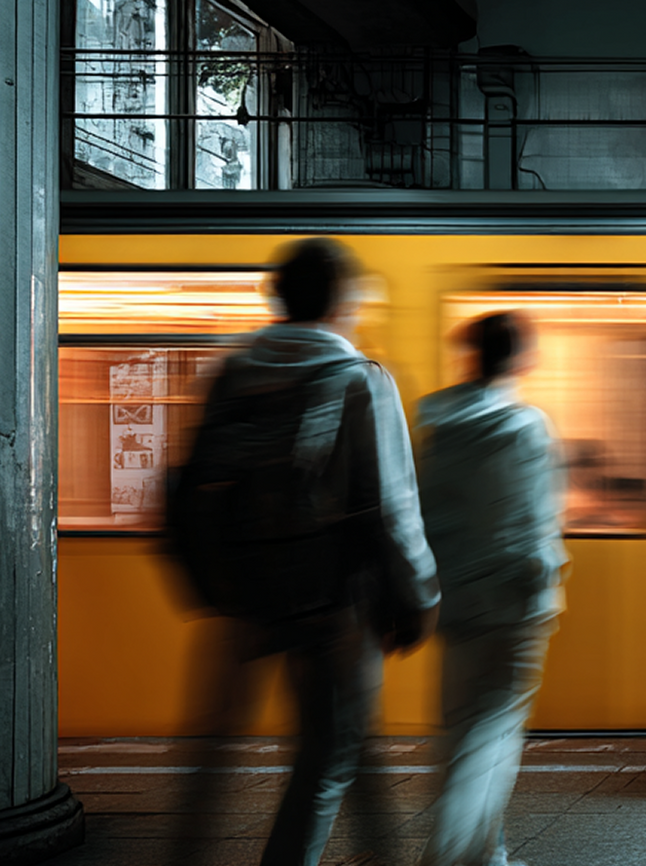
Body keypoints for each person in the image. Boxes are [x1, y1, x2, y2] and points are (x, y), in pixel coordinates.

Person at [182, 236, 439, 866]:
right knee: (329, 753)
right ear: (341, 301)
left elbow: (193, 486)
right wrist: (418, 597)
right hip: (331, 603)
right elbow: (393, 507)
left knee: (211, 761)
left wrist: (211, 583)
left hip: (245, 596)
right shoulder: (360, 378)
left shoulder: (233, 372)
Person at [414, 312, 569, 866]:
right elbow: (537, 518)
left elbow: (423, 513)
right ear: (521, 358)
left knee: (460, 731)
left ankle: (488, 854)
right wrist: (545, 577)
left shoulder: (437, 426)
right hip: (513, 605)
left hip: (453, 601)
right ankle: (448, 854)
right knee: (493, 733)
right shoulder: (525, 426)